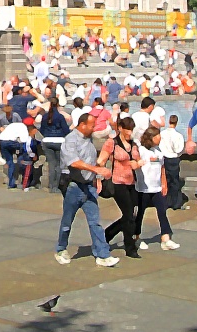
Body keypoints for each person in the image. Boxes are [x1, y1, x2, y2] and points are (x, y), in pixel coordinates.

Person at [55, 112, 121, 267]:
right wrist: (96, 170)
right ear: (82, 125)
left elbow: (90, 158)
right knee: (67, 220)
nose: (93, 128)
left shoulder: (88, 138)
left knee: (95, 222)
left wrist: (95, 177)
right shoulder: (71, 140)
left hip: (88, 186)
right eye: (91, 126)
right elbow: (74, 162)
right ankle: (61, 249)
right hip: (73, 186)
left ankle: (102, 254)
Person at [99, 116, 141, 258]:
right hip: (117, 182)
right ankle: (130, 248)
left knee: (131, 215)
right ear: (121, 128)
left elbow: (138, 159)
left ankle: (107, 234)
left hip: (132, 183)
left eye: (131, 129)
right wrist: (100, 175)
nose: (129, 132)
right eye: (127, 129)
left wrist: (139, 163)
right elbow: (101, 160)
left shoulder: (133, 144)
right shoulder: (112, 143)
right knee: (129, 214)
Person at [133, 127, 180, 251]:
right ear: (150, 138)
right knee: (140, 214)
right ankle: (136, 237)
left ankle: (165, 238)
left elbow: (162, 167)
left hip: (157, 188)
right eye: (157, 136)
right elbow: (134, 162)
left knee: (162, 212)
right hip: (143, 188)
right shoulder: (141, 150)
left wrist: (164, 183)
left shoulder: (159, 151)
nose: (160, 139)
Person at [40, 98, 72, 194]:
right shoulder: (60, 117)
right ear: (58, 105)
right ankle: (56, 186)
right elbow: (66, 130)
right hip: (59, 141)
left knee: (51, 164)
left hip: (47, 141)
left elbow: (42, 129)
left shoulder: (45, 116)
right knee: (59, 165)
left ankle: (50, 185)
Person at [159, 114, 187, 210]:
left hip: (164, 158)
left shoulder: (162, 134)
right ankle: (176, 203)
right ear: (176, 123)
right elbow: (179, 149)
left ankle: (165, 202)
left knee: (165, 180)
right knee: (175, 181)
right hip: (174, 159)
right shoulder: (178, 136)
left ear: (168, 122)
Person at [0, 116, 29, 190]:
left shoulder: (12, 125)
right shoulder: (23, 127)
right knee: (22, 150)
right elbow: (24, 140)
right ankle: (20, 163)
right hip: (11, 142)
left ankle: (11, 183)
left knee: (9, 161)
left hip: (2, 141)